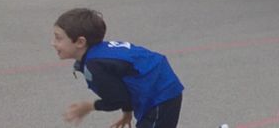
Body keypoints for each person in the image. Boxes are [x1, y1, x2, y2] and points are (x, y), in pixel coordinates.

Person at [52, 8, 184, 128]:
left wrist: (88, 106)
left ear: (80, 42)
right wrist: (127, 112)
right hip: (158, 87)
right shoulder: (97, 55)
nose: (53, 43)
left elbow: (116, 100)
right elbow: (122, 87)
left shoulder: (95, 65)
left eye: (58, 38)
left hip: (161, 95)